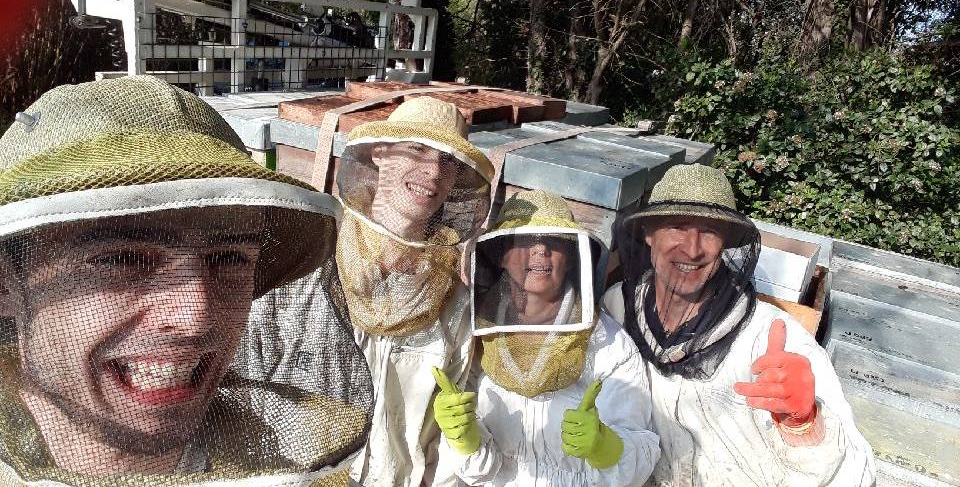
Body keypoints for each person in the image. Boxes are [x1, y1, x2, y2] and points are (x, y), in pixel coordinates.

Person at [0, 76, 373, 485]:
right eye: (122, 259)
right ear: (6, 284)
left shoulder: (297, 460)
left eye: (228, 257)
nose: (196, 317)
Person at [247, 96, 494, 486]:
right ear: (380, 153)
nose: (433, 171)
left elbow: (445, 438)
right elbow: (250, 388)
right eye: (418, 149)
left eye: (448, 161)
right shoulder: (308, 262)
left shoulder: (456, 303)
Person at [602, 163, 876, 486]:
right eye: (677, 226)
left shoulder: (775, 338)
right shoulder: (616, 307)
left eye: (710, 231)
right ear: (649, 234)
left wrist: (805, 424)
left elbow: (857, 473)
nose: (692, 248)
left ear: (726, 244)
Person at [432, 190, 660, 486]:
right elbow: (474, 471)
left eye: (554, 241)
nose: (540, 249)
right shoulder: (476, 336)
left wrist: (605, 447)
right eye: (523, 241)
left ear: (571, 258)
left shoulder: (608, 343)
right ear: (502, 256)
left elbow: (640, 454)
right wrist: (464, 441)